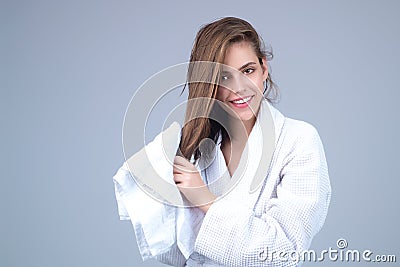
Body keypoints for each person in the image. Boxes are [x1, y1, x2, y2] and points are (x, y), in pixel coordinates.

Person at [114, 17, 331, 267]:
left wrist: (205, 199)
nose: (239, 88)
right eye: (224, 77)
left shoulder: (298, 140)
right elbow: (175, 252)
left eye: (248, 70)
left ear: (264, 69)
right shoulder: (196, 147)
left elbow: (284, 253)